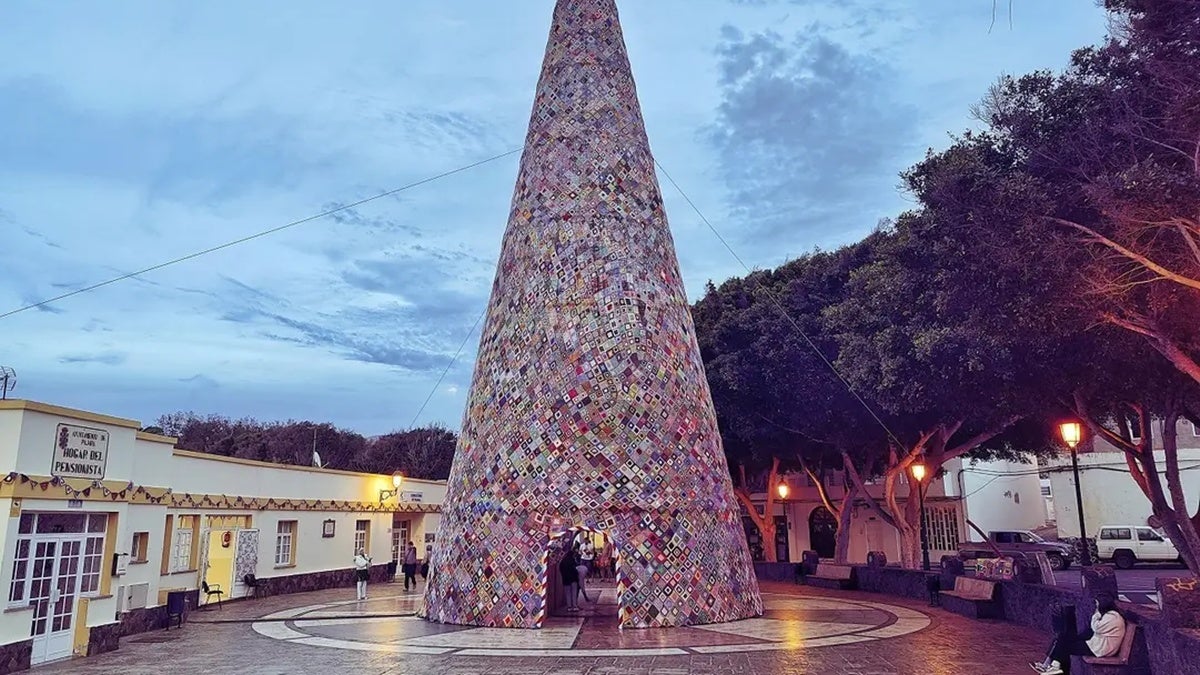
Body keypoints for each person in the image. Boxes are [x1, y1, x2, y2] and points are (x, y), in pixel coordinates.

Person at [1031, 596, 1126, 674]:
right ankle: (1050, 665)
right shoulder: (1110, 616)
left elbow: (1095, 627)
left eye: (1097, 604)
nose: (1096, 606)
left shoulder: (1112, 618)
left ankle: (1053, 666)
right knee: (1063, 638)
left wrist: (1096, 613)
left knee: (1065, 644)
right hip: (1098, 644)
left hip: (1100, 649)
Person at [559, 547, 580, 612]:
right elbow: (575, 569)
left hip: (565, 579)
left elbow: (560, 569)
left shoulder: (563, 562)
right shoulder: (572, 560)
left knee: (567, 593)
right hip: (573, 579)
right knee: (574, 592)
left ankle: (569, 607)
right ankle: (575, 606)